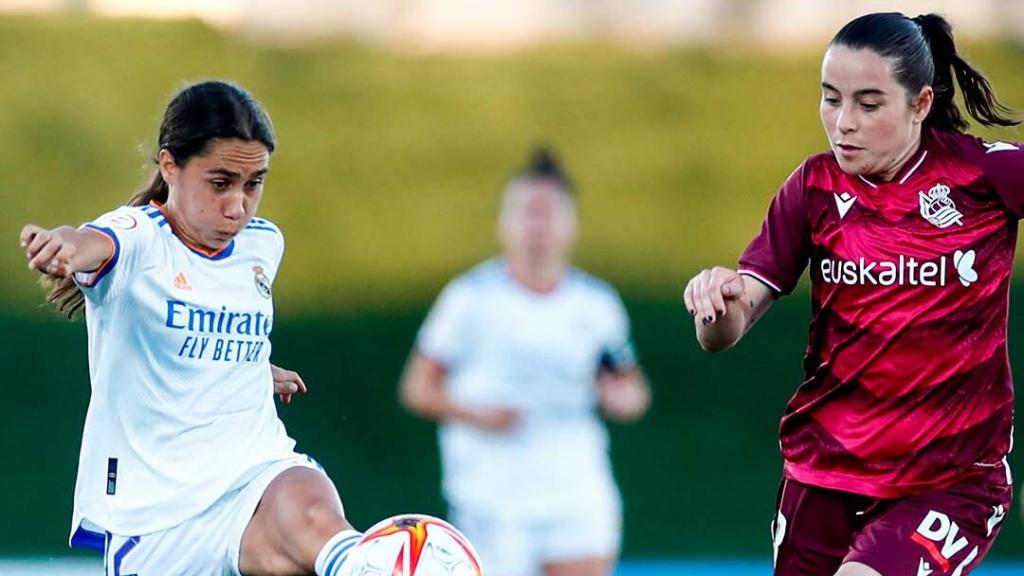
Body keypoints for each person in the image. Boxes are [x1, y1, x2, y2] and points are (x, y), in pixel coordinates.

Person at [684, 12, 1019, 576]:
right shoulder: (812, 189)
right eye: (830, 99)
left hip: (950, 480)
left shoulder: (982, 176)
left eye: (868, 104)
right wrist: (715, 300)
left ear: (920, 104)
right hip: (823, 474)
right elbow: (724, 332)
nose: (843, 123)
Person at [19, 81, 362, 576]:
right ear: (169, 166)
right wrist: (63, 247)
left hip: (252, 471)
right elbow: (92, 242)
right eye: (220, 183)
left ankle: (369, 563)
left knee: (313, 517)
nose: (238, 207)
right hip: (159, 520)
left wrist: (250, 369)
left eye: (254, 183)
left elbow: (207, 335)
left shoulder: (262, 245)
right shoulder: (139, 238)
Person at [400, 147, 651, 576]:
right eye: (527, 212)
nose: (538, 225)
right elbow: (417, 388)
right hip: (492, 498)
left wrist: (618, 399)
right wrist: (477, 414)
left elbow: (633, 390)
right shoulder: (469, 299)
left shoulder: (596, 305)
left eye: (549, 212)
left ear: (570, 224)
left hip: (575, 491)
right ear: (505, 222)